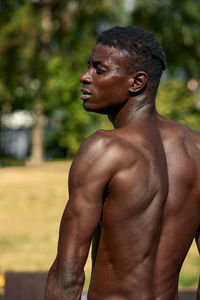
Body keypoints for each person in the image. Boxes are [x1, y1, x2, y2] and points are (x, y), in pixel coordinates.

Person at [45, 26, 200, 300]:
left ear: (137, 82)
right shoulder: (197, 148)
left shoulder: (105, 149)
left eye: (99, 69)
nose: (84, 77)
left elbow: (67, 276)